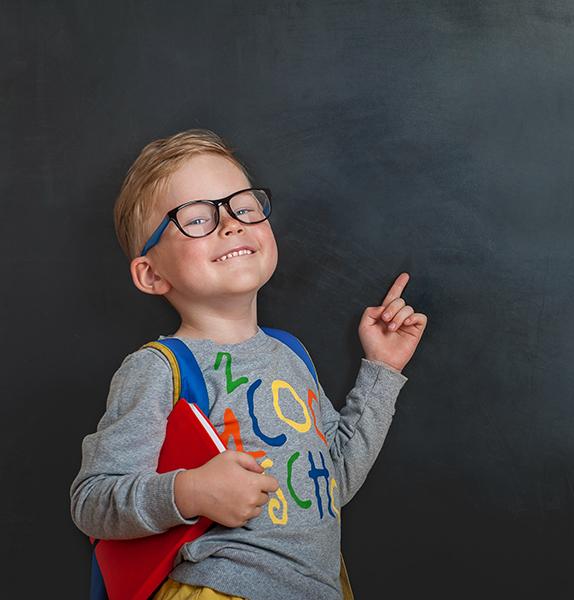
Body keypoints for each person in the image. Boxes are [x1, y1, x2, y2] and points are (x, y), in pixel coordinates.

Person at [69, 129, 427, 600]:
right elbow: (92, 500)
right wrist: (190, 492)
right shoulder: (159, 369)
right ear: (151, 273)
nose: (231, 224)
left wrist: (381, 369)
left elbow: (333, 482)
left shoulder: (290, 354)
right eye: (197, 217)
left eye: (244, 206)